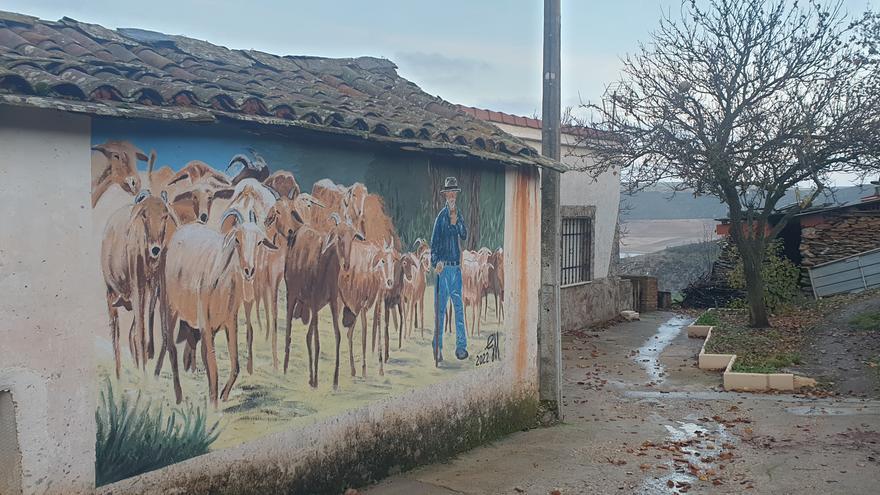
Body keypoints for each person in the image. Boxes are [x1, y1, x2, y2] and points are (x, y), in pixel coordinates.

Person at [431, 176, 469, 363]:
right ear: (445, 196)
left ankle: (461, 348)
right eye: (449, 193)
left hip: (456, 270)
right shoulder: (440, 218)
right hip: (443, 269)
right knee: (440, 310)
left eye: (454, 193)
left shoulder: (458, 215)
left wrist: (457, 222)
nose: (452, 196)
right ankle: (437, 349)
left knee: (459, 309)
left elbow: (464, 234)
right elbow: (434, 243)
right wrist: (435, 262)